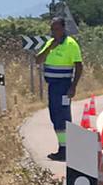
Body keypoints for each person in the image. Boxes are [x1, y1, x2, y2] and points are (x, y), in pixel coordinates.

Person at [35, 17, 83, 160]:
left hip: (64, 86)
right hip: (52, 86)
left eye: (56, 29)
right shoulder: (50, 43)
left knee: (63, 117)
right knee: (55, 116)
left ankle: (65, 150)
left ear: (63, 29)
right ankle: (64, 148)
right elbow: (38, 60)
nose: (53, 32)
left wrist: (73, 87)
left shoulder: (71, 44)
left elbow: (79, 66)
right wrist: (50, 48)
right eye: (52, 29)